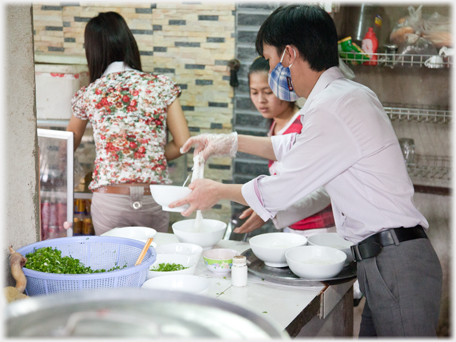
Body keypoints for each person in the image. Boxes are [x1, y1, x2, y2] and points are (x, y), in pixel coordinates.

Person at [170, 4, 442, 337]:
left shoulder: (336, 106)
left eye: (270, 60)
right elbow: (294, 148)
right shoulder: (340, 99)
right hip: (385, 261)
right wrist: (230, 141)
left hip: (396, 261)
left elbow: (284, 184)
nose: (271, 71)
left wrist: (217, 191)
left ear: (290, 54)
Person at [67, 12, 190, 235]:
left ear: (92, 51)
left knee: (113, 266)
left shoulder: (90, 93)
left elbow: (66, 145)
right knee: (154, 264)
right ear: (128, 43)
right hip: (154, 198)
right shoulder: (161, 85)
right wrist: (148, 156)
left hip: (110, 200)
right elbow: (183, 142)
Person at [235, 56, 335, 237]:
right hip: (293, 227)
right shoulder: (275, 126)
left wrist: (272, 211)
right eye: (254, 92)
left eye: (268, 92)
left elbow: (323, 190)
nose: (261, 100)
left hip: (319, 231)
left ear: (286, 87)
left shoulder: (303, 125)